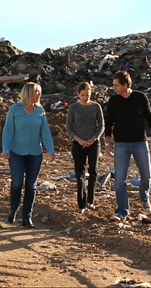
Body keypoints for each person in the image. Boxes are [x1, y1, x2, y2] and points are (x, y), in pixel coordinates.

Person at [104, 71, 151, 221]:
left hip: (140, 142)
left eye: (116, 85)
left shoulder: (140, 98)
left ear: (125, 85)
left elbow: (150, 117)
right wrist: (108, 143)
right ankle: (122, 210)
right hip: (120, 144)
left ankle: (144, 197)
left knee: (147, 175)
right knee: (120, 179)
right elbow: (108, 122)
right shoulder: (114, 101)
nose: (113, 87)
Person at [1, 82, 55, 228]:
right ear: (29, 93)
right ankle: (13, 209)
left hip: (35, 153)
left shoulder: (40, 111)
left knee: (31, 186)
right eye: (38, 92)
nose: (40, 95)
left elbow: (45, 131)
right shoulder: (15, 109)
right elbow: (8, 130)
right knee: (17, 182)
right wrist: (5, 148)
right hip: (16, 151)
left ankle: (27, 217)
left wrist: (50, 149)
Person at [66, 81, 104, 214]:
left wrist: (93, 139)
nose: (85, 97)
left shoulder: (96, 107)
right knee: (80, 172)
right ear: (78, 95)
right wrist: (80, 140)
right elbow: (69, 127)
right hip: (78, 143)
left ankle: (90, 200)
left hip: (93, 142)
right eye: (82, 95)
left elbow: (101, 126)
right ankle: (81, 203)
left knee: (93, 171)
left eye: (87, 94)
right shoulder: (73, 108)